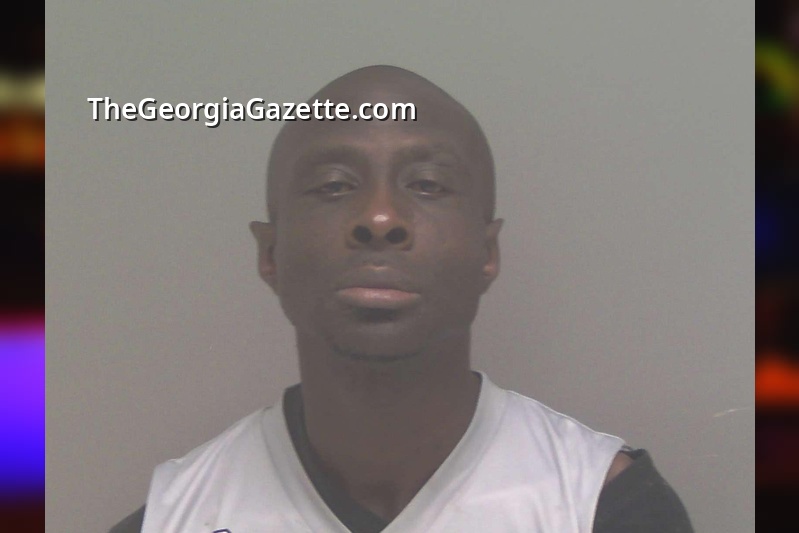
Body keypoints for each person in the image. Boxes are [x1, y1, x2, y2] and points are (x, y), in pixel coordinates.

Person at [111, 65, 693, 532]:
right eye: (334, 185)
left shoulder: (605, 507)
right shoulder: (173, 518)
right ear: (271, 254)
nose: (380, 217)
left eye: (428, 185)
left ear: (487, 253)